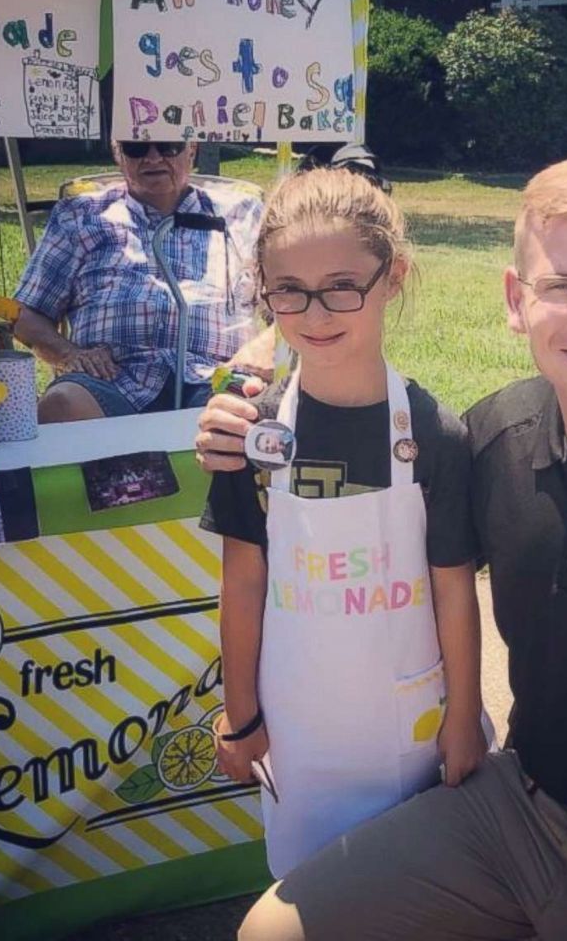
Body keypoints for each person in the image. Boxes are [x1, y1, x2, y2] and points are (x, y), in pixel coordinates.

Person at [196, 158, 567, 940]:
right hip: (515, 805)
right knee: (271, 933)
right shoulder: (491, 439)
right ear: (517, 301)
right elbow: (363, 480)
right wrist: (235, 426)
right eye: (562, 286)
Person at [200, 168, 493, 879]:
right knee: (306, 887)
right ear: (264, 293)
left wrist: (463, 716)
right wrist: (241, 717)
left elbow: (453, 587)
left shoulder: (431, 433)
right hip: (298, 729)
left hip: (411, 727)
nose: (316, 312)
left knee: (413, 893)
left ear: (392, 278)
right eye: (289, 290)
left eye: (342, 285)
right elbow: (243, 581)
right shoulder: (255, 433)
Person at [13, 140, 263, 423]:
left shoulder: (242, 215)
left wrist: (259, 349)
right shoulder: (83, 215)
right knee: (62, 405)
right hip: (113, 376)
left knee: (253, 414)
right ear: (117, 153)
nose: (153, 158)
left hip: (214, 375)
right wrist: (68, 354)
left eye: (168, 146)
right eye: (136, 148)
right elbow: (25, 313)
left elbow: (290, 292)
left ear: (192, 148)